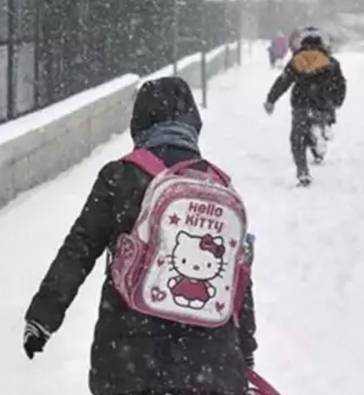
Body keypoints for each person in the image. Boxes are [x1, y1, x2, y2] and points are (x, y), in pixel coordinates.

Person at [22, 77, 258, 394]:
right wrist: (244, 349)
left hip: (129, 354)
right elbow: (238, 277)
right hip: (210, 361)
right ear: (193, 123)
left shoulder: (119, 176)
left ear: (139, 122)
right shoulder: (218, 187)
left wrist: (43, 317)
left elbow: (78, 250)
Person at [264, 27, 347, 187]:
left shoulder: (297, 60)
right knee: (320, 122)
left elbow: (283, 81)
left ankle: (303, 172)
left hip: (301, 104)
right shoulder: (331, 62)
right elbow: (340, 84)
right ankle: (321, 133)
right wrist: (337, 101)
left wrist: (271, 100)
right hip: (323, 105)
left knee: (297, 139)